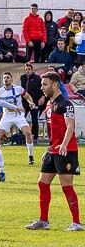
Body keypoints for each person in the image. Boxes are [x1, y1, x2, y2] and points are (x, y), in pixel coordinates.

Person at [27, 72, 81, 231]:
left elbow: (70, 125)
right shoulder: (50, 104)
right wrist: (49, 149)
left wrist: (64, 144)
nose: (42, 87)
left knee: (67, 186)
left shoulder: (66, 103)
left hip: (66, 150)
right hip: (53, 150)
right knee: (42, 183)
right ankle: (43, 221)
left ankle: (76, 223)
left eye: (45, 84)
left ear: (55, 85)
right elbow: (54, 130)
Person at [0, 71, 36, 165]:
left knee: (28, 133)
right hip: (7, 115)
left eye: (8, 77)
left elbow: (27, 96)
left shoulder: (18, 89)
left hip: (18, 115)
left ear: (12, 79)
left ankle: (30, 156)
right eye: (4, 78)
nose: (6, 79)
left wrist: (31, 102)